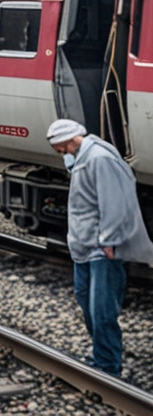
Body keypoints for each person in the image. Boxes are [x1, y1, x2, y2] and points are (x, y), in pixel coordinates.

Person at [48, 118, 153, 377]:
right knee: (86, 301)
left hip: (101, 247)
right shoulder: (81, 157)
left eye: (58, 146)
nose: (58, 152)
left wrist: (109, 239)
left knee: (102, 309)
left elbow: (114, 201)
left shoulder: (98, 159)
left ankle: (108, 366)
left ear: (68, 139)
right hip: (83, 247)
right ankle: (101, 355)